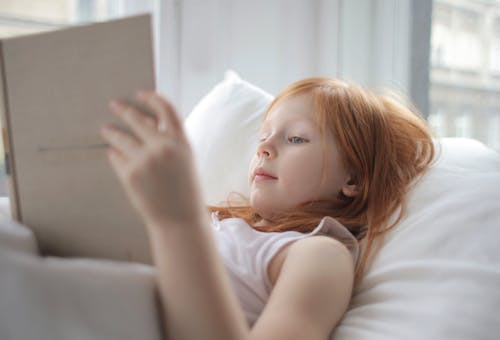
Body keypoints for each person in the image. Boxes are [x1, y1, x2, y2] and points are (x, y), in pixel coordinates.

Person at [99, 77, 435, 340]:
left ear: (354, 178)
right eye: (264, 135)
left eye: (296, 139)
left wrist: (177, 221)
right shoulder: (219, 221)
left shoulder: (319, 254)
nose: (265, 147)